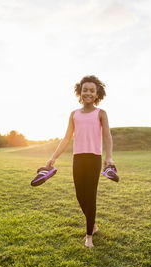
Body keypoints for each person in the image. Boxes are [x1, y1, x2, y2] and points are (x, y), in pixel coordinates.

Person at [46, 75, 114, 248]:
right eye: (85, 90)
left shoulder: (101, 113)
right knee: (79, 195)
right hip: (78, 158)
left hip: (94, 158)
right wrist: (53, 157)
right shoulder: (74, 115)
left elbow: (107, 136)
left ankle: (89, 235)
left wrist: (109, 158)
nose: (88, 93)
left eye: (92, 90)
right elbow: (66, 138)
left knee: (90, 196)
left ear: (97, 93)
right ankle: (93, 223)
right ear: (80, 92)